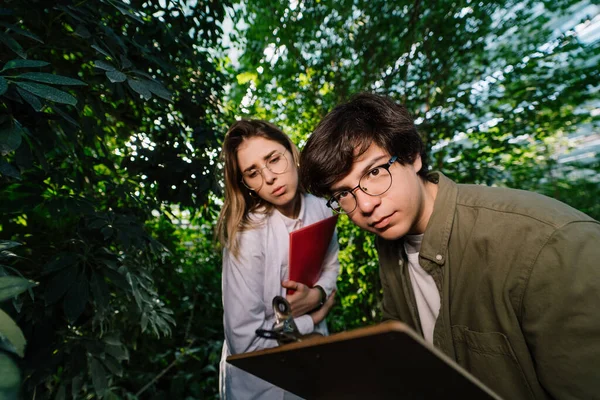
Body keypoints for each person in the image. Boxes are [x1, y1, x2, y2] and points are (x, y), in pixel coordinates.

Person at [299, 92, 600, 399]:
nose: (364, 204)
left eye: (375, 172)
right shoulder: (390, 241)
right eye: (343, 194)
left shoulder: (548, 244)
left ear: (412, 155)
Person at [217, 119, 339, 400]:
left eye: (273, 159)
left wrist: (318, 293)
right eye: (253, 172)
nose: (269, 177)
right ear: (246, 184)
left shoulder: (322, 208)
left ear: (291, 152)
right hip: (261, 387)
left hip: (310, 371)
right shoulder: (247, 237)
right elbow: (246, 344)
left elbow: (331, 266)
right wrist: (312, 321)